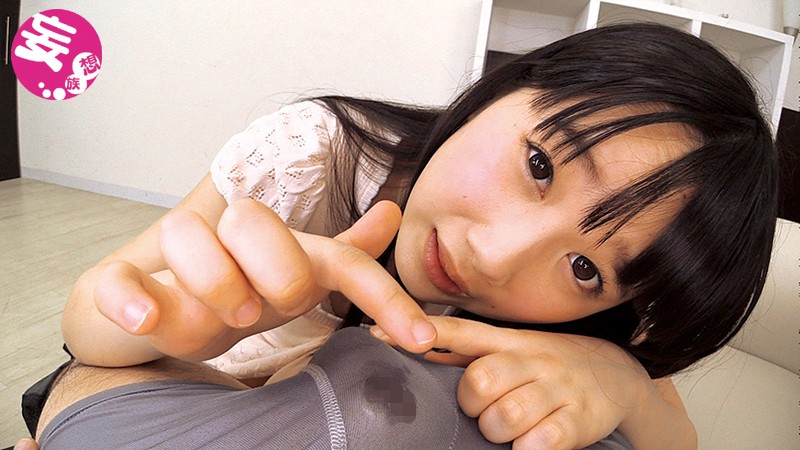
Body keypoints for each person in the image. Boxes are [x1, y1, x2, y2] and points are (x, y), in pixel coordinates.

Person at [17, 22, 776, 449]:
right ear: (509, 87)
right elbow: (86, 324)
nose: (495, 255)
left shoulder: (589, 327)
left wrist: (622, 383)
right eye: (540, 164)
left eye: (585, 268)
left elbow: (673, 437)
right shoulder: (313, 158)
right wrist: (174, 324)